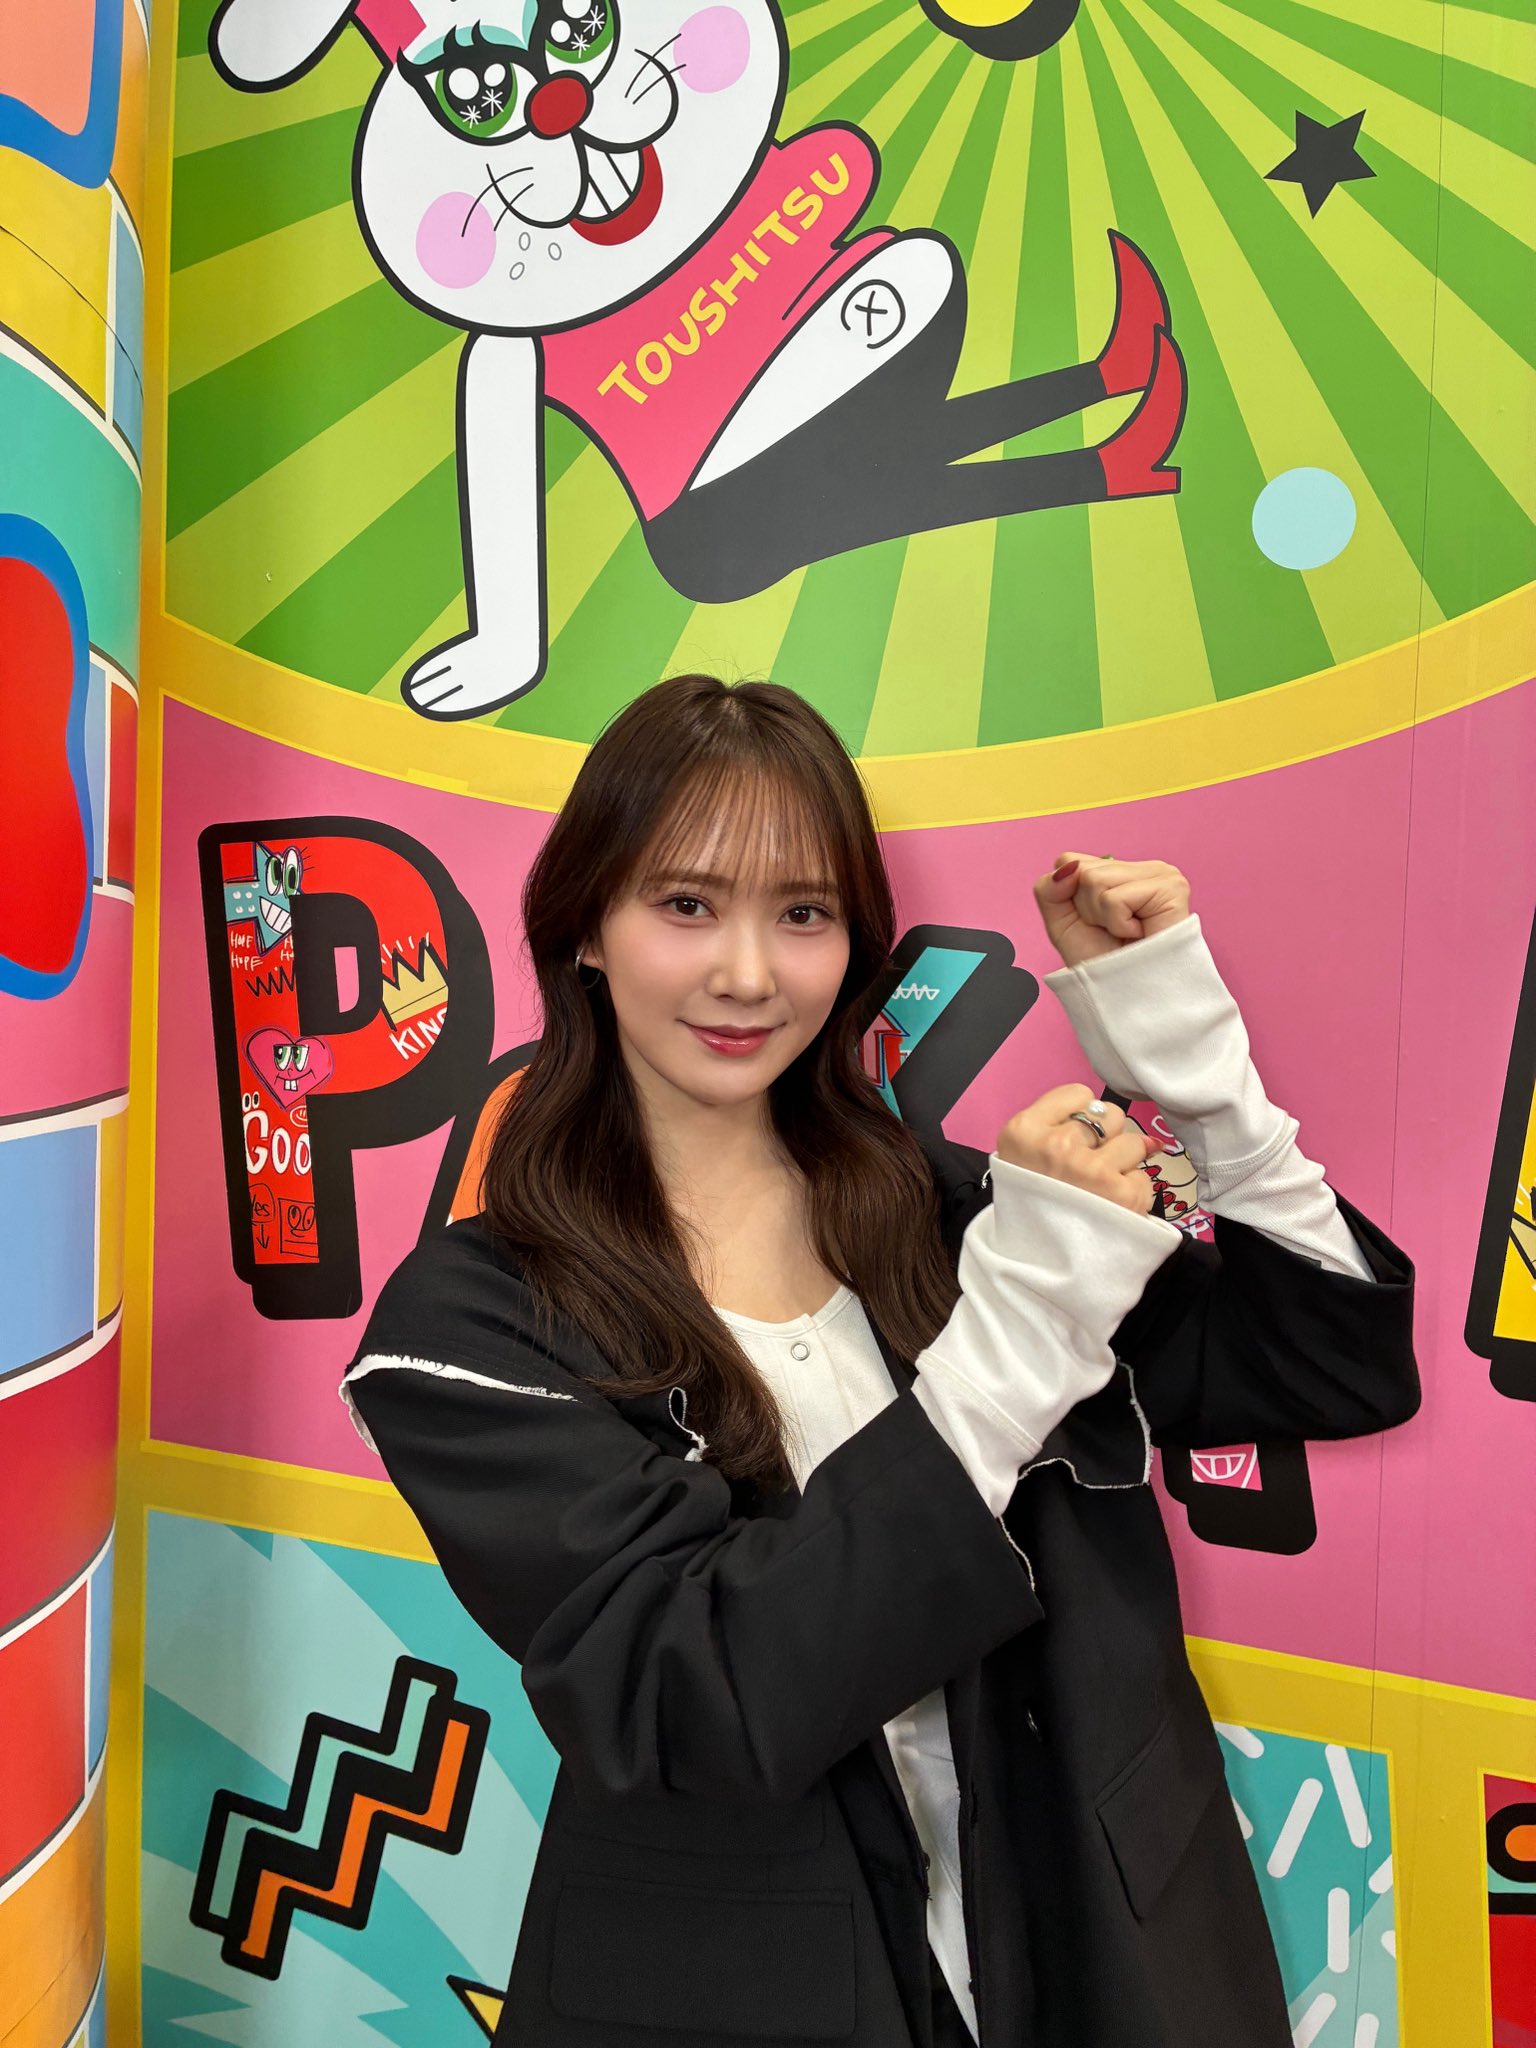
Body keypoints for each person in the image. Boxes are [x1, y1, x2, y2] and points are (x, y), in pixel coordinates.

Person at [339, 674, 1418, 2047]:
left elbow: (1331, 1363)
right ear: (587, 927)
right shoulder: (472, 1324)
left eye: (803, 913)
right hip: (733, 1991)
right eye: (687, 904)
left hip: (1103, 1948)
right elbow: (710, 1697)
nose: (748, 975)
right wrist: (1026, 1319)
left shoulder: (956, 1212)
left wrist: (1193, 1070)